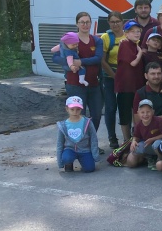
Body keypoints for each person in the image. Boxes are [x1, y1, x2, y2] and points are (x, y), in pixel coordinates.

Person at [54, 12, 104, 132]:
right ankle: (80, 145)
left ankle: (91, 141)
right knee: (78, 115)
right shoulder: (69, 38)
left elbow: (97, 58)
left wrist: (79, 62)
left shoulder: (96, 40)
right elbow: (55, 57)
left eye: (87, 22)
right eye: (82, 22)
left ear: (91, 23)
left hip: (94, 84)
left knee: (96, 115)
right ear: (77, 23)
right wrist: (70, 64)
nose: (85, 25)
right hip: (75, 85)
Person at [114, 20, 145, 142]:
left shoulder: (135, 44)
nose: (136, 34)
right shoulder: (125, 44)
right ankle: (126, 141)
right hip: (125, 87)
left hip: (136, 85)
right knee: (125, 114)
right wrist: (140, 53)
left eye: (138, 31)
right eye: (133, 32)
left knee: (137, 112)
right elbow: (133, 63)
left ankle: (136, 138)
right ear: (126, 34)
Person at [100, 11, 126, 149]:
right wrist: (114, 76)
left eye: (117, 21)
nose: (115, 24)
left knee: (125, 106)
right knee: (110, 107)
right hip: (110, 76)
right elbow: (102, 60)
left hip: (126, 76)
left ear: (122, 22)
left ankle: (128, 136)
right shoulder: (105, 37)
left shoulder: (129, 35)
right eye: (112, 22)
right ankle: (112, 136)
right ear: (109, 23)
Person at [56, 96, 100, 173]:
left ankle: (85, 161)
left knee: (90, 169)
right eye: (72, 109)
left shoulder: (87, 122)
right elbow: (60, 143)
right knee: (67, 157)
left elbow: (93, 139)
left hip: (85, 150)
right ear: (67, 109)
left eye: (78, 109)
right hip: (70, 149)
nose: (75, 112)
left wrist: (95, 155)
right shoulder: (63, 125)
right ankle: (68, 163)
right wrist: (60, 162)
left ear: (82, 109)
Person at [122, 99, 162, 169]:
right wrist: (134, 141)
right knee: (131, 162)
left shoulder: (159, 121)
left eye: (148, 112)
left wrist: (153, 139)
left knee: (156, 144)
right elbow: (136, 136)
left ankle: (160, 159)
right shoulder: (138, 125)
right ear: (138, 113)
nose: (145, 115)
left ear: (153, 112)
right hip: (147, 145)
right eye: (142, 112)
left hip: (159, 145)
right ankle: (146, 158)